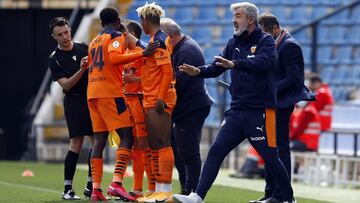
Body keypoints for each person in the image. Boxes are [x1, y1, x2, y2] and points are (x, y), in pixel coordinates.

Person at [173, 3, 295, 203]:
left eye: (238, 15)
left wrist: (236, 64)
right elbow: (218, 65)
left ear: (250, 20)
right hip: (237, 111)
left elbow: (265, 62)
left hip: (260, 111)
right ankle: (197, 197)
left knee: (271, 158)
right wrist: (199, 71)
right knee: (216, 151)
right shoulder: (234, 42)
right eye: (233, 15)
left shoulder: (265, 41)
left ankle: (288, 199)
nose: (233, 20)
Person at [86, 7, 158, 201]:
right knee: (127, 137)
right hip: (110, 93)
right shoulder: (115, 35)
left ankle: (96, 190)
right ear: (118, 21)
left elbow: (92, 64)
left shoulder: (94, 40)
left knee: (99, 141)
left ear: (101, 24)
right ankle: (117, 183)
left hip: (92, 93)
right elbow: (114, 58)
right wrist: (142, 54)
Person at [247, 13, 314, 203]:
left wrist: (270, 90)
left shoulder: (290, 45)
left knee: (279, 149)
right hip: (270, 103)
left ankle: (281, 195)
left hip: (281, 104)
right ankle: (270, 193)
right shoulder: (274, 44)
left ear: (275, 28)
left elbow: (293, 78)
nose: (264, 37)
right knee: (270, 149)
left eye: (267, 33)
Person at [160, 17, 212, 195]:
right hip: (187, 107)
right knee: (179, 148)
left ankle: (192, 192)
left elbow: (179, 84)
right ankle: (186, 188)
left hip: (192, 107)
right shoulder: (181, 46)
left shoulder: (186, 51)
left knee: (188, 152)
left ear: (169, 36)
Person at [48, 17, 94, 200]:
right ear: (54, 36)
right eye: (60, 34)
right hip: (74, 101)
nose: (65, 37)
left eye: (66, 32)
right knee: (76, 143)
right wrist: (82, 69)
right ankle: (68, 189)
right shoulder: (55, 59)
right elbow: (66, 85)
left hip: (92, 98)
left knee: (97, 141)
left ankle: (92, 185)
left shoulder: (84, 47)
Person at [135, 2, 177, 202]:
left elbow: (167, 72)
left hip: (159, 98)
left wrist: (160, 98)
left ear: (145, 20)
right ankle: (158, 189)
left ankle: (165, 191)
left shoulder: (159, 41)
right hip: (151, 96)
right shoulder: (155, 40)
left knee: (162, 143)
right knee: (155, 144)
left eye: (140, 21)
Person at [122, 20, 156, 199]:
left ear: (133, 35)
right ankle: (136, 189)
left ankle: (151, 187)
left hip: (140, 103)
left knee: (145, 145)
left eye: (126, 33)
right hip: (128, 103)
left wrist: (134, 81)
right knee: (134, 147)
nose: (122, 36)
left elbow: (151, 79)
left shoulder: (142, 54)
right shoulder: (124, 53)